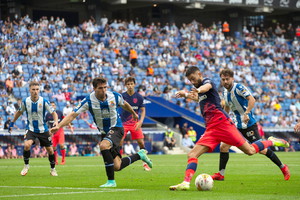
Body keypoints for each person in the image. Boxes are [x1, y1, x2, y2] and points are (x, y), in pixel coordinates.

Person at [169, 66, 289, 191]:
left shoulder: (207, 83)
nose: (192, 82)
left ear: (199, 74)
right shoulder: (218, 93)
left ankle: (272, 141)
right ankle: (186, 182)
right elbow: (200, 98)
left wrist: (198, 90)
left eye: (193, 79)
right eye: (190, 81)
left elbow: (205, 88)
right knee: (192, 154)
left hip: (224, 125)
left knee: (250, 151)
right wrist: (186, 94)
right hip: (211, 128)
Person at [50, 77, 152, 187]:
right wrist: (59, 126)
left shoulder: (114, 96)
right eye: (100, 88)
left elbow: (125, 104)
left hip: (117, 128)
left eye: (105, 87)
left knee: (103, 145)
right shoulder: (88, 100)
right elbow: (72, 115)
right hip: (105, 132)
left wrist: (133, 113)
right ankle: (140, 155)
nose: (103, 90)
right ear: (94, 89)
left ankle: (111, 181)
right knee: (117, 166)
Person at [210, 68, 290, 181]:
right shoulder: (224, 92)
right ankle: (221, 174)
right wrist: (224, 119)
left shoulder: (239, 88)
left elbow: (252, 99)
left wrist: (246, 113)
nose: (225, 82)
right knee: (224, 146)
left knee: (261, 150)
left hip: (249, 125)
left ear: (232, 78)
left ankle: (283, 167)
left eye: (227, 79)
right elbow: (227, 107)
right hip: (236, 126)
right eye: (223, 80)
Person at [8, 81, 58, 176]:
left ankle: (53, 169)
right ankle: (26, 166)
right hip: (30, 128)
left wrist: (56, 121)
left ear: (39, 90)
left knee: (50, 150)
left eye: (37, 89)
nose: (35, 91)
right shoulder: (25, 102)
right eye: (33, 89)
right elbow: (19, 112)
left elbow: (54, 113)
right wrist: (12, 122)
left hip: (43, 129)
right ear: (29, 90)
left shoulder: (44, 101)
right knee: (27, 145)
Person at [119, 77, 151, 171]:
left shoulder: (139, 97)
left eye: (131, 84)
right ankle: (119, 161)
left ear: (134, 84)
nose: (130, 86)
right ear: (125, 85)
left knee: (141, 143)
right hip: (123, 123)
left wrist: (140, 122)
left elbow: (143, 110)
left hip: (135, 124)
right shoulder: (122, 96)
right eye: (128, 84)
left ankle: (145, 163)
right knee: (120, 142)